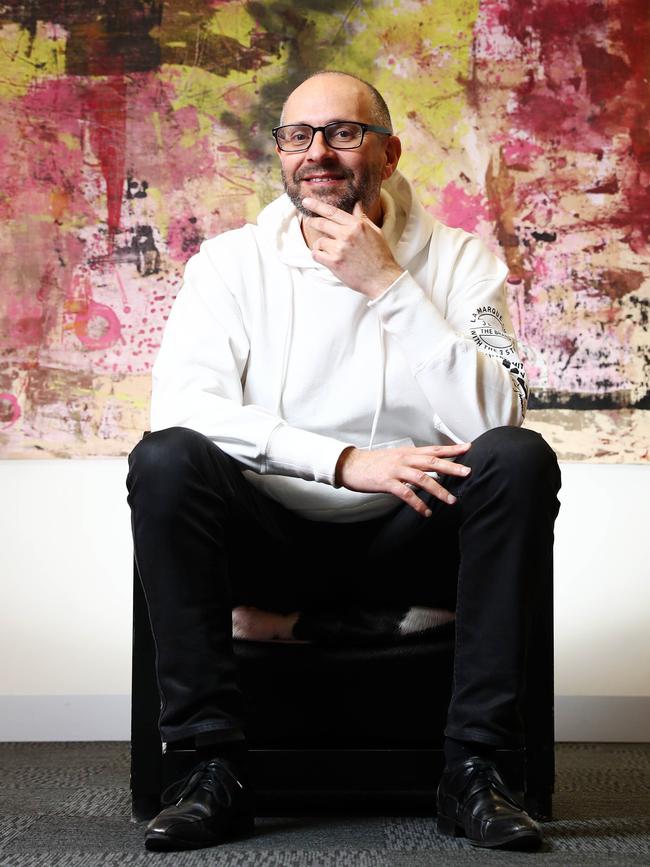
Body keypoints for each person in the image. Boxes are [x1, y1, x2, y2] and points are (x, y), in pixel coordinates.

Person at [126, 69, 562, 853]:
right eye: (298, 136)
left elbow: (500, 417)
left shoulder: (465, 264)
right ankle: (206, 767)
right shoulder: (228, 265)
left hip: (414, 532)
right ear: (282, 155)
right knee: (165, 459)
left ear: (389, 152)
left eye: (342, 132)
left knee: (519, 458)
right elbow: (184, 410)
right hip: (270, 534)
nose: (317, 152)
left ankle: (477, 768)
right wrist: (342, 460)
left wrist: (389, 285)